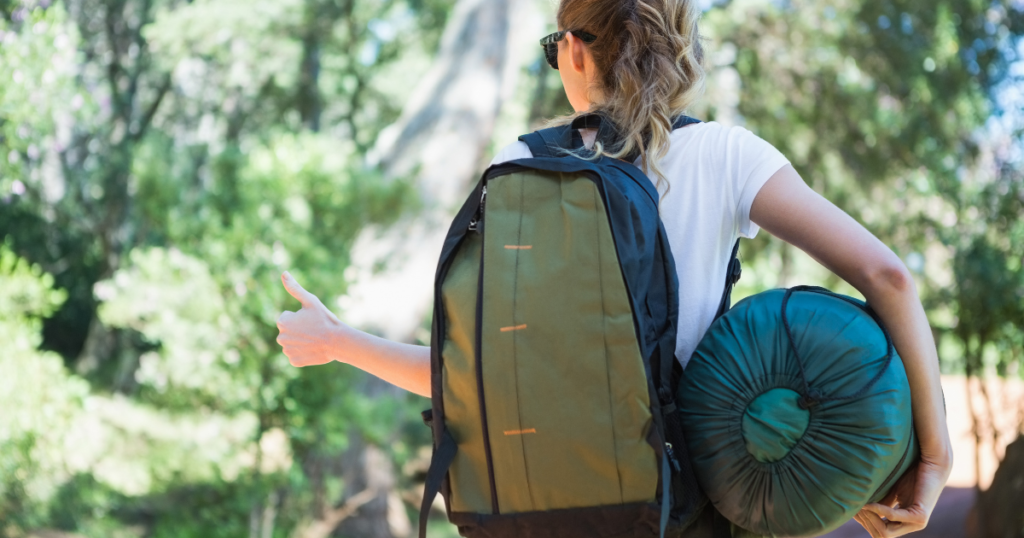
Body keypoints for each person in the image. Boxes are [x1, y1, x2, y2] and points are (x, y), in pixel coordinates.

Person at [275, 0, 953, 536]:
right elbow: (888, 276)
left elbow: (476, 379)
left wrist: (336, 342)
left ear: (572, 49)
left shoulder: (518, 169)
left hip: (542, 516)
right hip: (677, 511)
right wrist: (932, 456)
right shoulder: (729, 156)